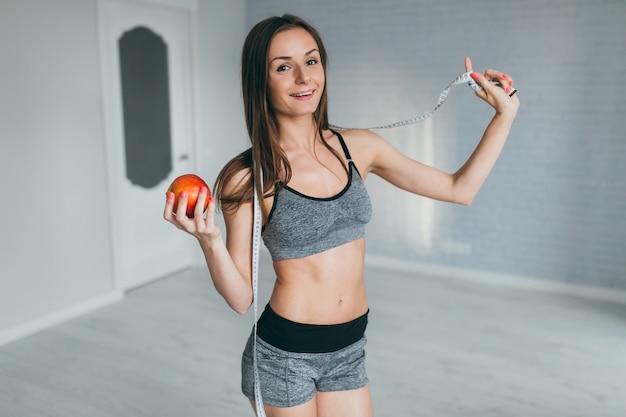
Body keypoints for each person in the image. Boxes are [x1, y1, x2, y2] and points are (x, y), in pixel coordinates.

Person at [163, 13, 519, 417]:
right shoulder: (248, 177)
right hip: (284, 356)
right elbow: (241, 298)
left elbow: (460, 189)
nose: (303, 77)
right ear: (260, 81)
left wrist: (504, 116)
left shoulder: (359, 148)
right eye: (284, 67)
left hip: (350, 348)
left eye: (311, 61)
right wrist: (208, 241)